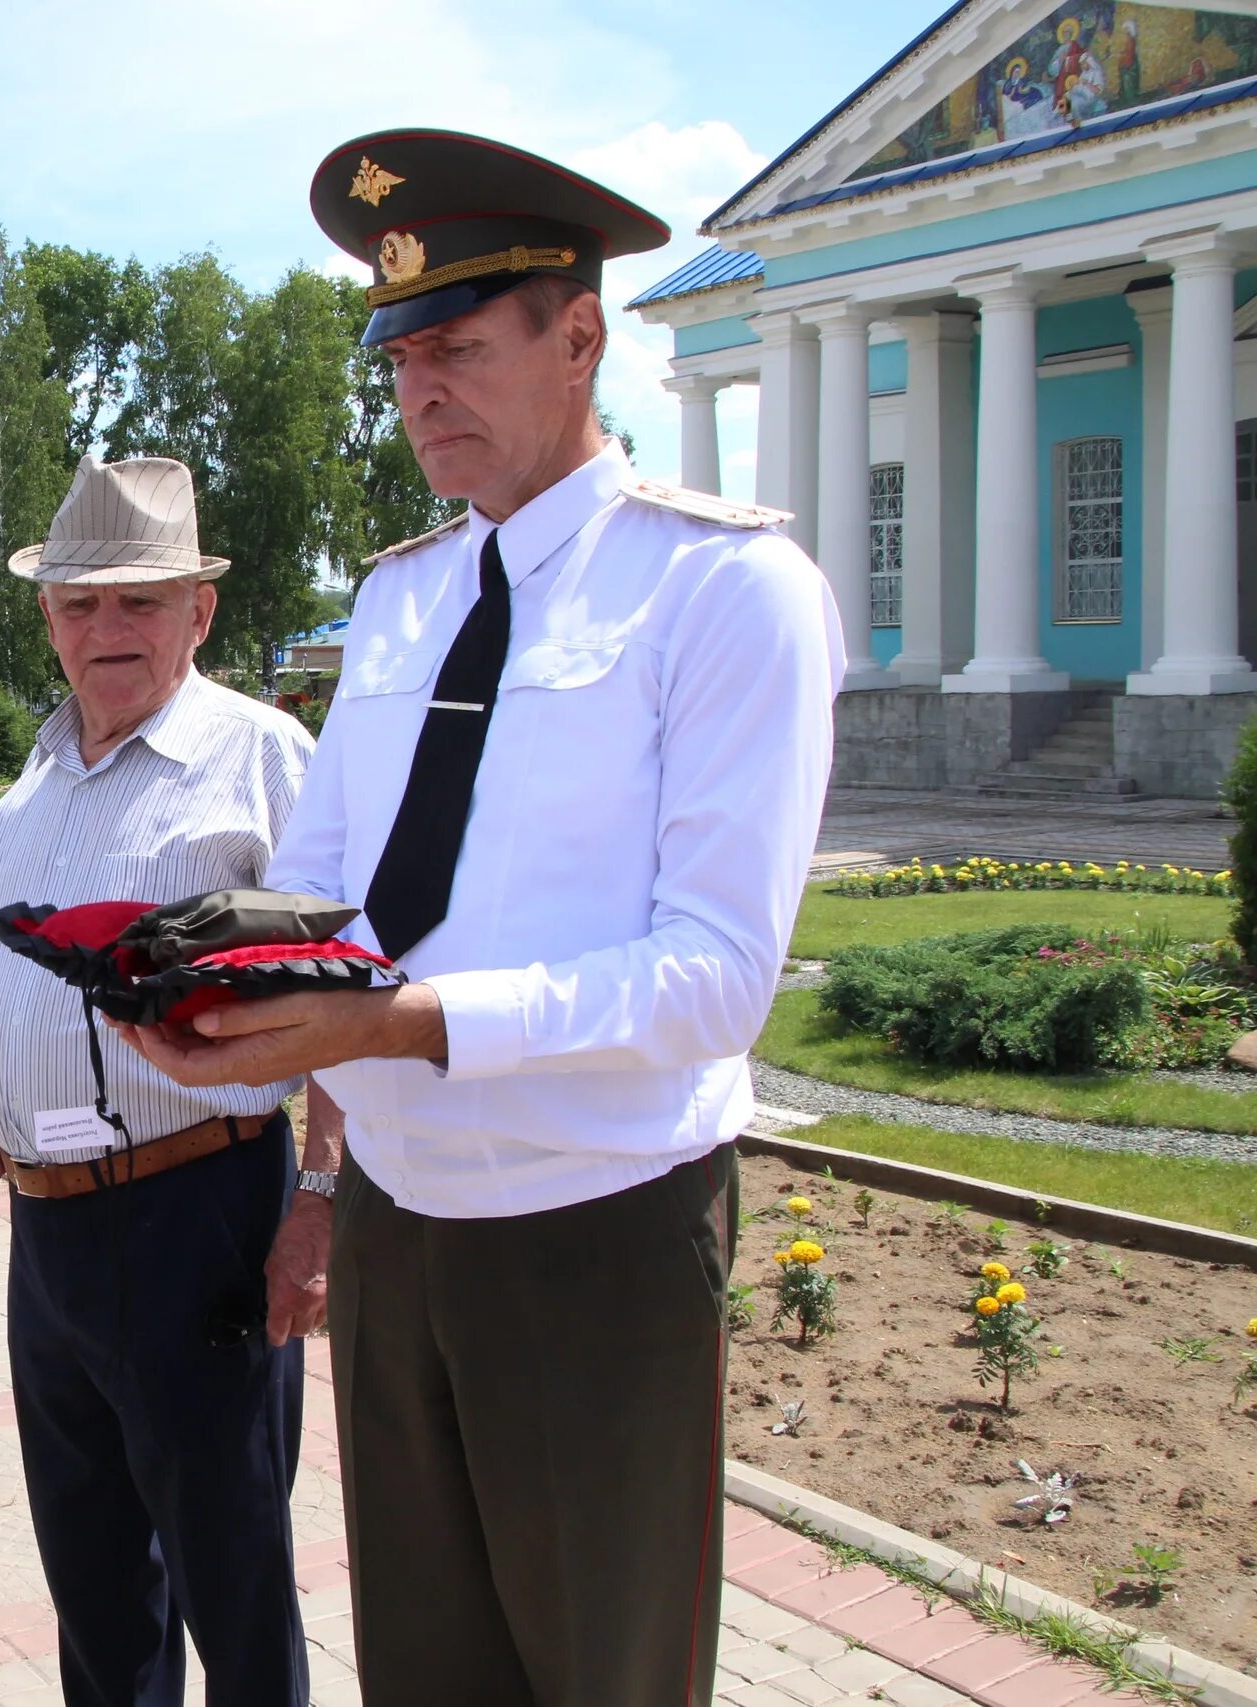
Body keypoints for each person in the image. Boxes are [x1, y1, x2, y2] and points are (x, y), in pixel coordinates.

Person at [121, 130, 844, 1707]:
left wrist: (404, 1023)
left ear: (578, 334)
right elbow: (325, 893)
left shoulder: (724, 589)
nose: (418, 388)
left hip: (597, 1225)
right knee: (430, 1673)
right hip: (394, 1217)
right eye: (399, 356)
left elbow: (716, 976)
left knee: (603, 1671)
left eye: (456, 344)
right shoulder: (402, 597)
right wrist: (190, 981)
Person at [0, 454, 337, 1707]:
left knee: (231, 1582)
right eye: (78, 604)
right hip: (47, 1232)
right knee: (96, 1588)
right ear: (47, 618)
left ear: (198, 613)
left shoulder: (258, 757)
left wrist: (319, 1201)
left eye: (139, 601)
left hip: (200, 1218)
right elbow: (14, 955)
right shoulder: (36, 778)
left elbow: (348, 989)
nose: (105, 628)